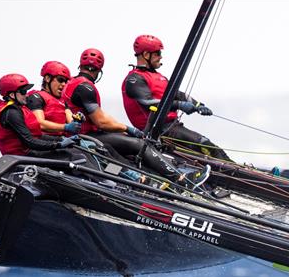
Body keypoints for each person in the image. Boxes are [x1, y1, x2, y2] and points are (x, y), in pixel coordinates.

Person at [63, 48, 206, 187]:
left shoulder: (72, 82)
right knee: (138, 144)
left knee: (120, 149)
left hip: (85, 135)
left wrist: (123, 130)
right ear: (99, 70)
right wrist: (128, 128)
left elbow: (102, 117)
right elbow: (101, 122)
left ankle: (144, 178)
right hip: (87, 136)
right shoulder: (85, 87)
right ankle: (181, 179)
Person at [122, 34, 230, 161]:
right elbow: (149, 103)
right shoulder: (134, 79)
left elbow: (177, 94)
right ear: (146, 55)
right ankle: (238, 177)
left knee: (209, 147)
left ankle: (243, 173)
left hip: (173, 127)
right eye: (157, 53)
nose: (161, 57)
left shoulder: (159, 77)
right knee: (204, 144)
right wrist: (179, 105)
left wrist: (198, 105)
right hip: (157, 131)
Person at [0, 73, 77, 156]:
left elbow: (37, 135)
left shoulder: (19, 108)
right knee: (75, 157)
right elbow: (30, 141)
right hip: (24, 156)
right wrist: (58, 145)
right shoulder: (11, 112)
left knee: (75, 153)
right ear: (12, 95)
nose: (27, 95)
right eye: (23, 92)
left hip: (31, 152)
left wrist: (62, 139)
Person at [26, 61, 81, 136]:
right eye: (60, 80)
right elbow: (39, 123)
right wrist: (65, 127)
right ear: (47, 78)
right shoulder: (36, 97)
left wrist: (77, 120)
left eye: (66, 81)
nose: (64, 84)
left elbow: (71, 121)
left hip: (61, 141)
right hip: (44, 142)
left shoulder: (62, 101)